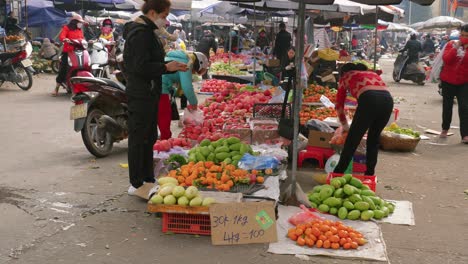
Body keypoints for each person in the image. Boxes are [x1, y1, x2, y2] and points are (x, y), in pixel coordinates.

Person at [122, 0, 188, 195]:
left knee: (149, 136)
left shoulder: (148, 32)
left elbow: (150, 62)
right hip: (141, 93)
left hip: (148, 92)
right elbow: (140, 67)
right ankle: (136, 183)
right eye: (164, 15)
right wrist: (166, 67)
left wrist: (168, 66)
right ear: (152, 12)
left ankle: (147, 178)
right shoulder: (141, 34)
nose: (165, 20)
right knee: (139, 137)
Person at [333, 63, 394, 176]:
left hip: (369, 100)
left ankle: (337, 174)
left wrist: (345, 126)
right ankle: (369, 174)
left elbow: (339, 105)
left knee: (352, 141)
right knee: (373, 140)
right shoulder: (371, 73)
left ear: (343, 73)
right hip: (388, 102)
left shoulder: (346, 76)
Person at [159, 51, 208, 139]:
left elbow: (170, 78)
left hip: (152, 85)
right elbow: (187, 87)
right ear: (198, 64)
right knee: (164, 116)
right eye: (196, 71)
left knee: (155, 114)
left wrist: (173, 91)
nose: (194, 73)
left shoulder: (177, 58)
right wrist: (194, 103)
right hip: (160, 88)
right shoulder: (186, 64)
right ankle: (164, 141)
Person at [438, 24, 468, 143]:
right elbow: (446, 59)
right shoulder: (451, 44)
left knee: (464, 107)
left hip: (464, 81)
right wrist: (457, 47)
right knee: (447, 106)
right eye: (462, 35)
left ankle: (465, 135)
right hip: (448, 80)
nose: (463, 37)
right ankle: (445, 128)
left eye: (466, 36)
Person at [52, 14, 85, 97]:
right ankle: (56, 88)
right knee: (63, 68)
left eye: (81, 22)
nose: (80, 24)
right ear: (75, 22)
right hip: (68, 52)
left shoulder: (79, 30)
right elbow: (62, 36)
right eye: (79, 22)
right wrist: (65, 39)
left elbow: (82, 39)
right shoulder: (66, 28)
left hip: (78, 52)